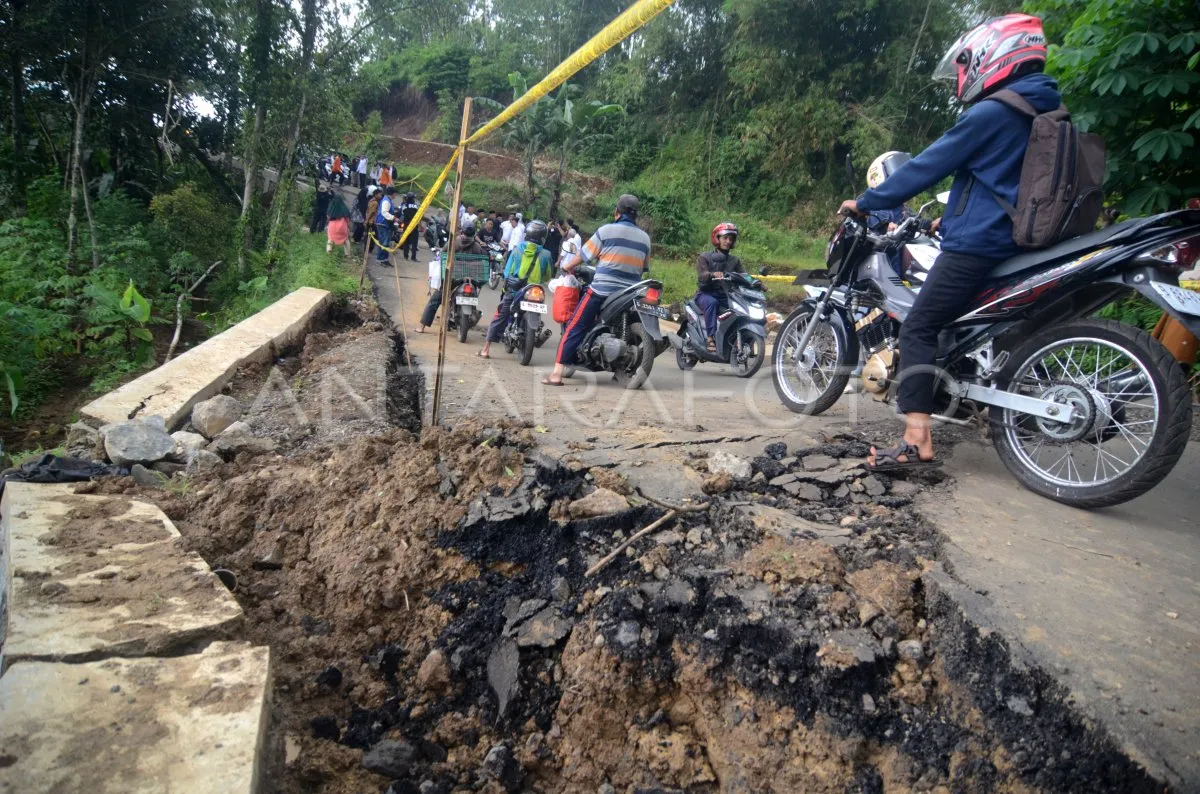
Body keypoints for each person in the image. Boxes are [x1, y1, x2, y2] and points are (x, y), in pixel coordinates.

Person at [839, 13, 1057, 470]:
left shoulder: (994, 112)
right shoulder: (1044, 111)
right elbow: (1005, 186)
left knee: (919, 326)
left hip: (978, 248)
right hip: (1017, 242)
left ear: (989, 57)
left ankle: (917, 440)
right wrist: (945, 223)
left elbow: (926, 167)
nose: (962, 76)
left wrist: (866, 201)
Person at [543, 195, 650, 385]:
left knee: (575, 326)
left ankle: (557, 374)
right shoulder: (645, 239)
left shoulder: (606, 231)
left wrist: (567, 267)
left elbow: (584, 255)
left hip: (603, 289)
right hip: (631, 292)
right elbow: (643, 269)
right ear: (635, 215)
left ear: (617, 212)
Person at [479, 220, 553, 358]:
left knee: (501, 316)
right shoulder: (547, 254)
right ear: (543, 237)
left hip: (515, 291)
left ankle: (486, 348)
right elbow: (548, 275)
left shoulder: (517, 249)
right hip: (534, 292)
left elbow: (507, 272)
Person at [416, 223, 486, 333]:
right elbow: (480, 262)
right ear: (474, 235)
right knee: (474, 297)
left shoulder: (454, 242)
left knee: (436, 300)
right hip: (470, 279)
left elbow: (443, 254)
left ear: (462, 232)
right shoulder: (477, 246)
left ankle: (422, 326)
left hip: (454, 278)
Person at [695, 222, 747, 352]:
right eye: (725, 238)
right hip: (706, 294)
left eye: (731, 239)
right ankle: (710, 338)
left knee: (741, 308)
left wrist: (757, 283)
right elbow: (702, 274)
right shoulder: (705, 257)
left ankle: (736, 339)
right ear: (717, 238)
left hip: (726, 295)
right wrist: (711, 274)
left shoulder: (734, 261)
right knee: (711, 302)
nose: (728, 241)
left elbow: (744, 275)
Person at [375, 186, 398, 266]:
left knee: (386, 243)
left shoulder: (388, 200)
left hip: (386, 224)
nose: (395, 195)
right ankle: (380, 259)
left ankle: (385, 259)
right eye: (395, 194)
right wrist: (393, 218)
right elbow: (384, 212)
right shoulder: (386, 201)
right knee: (383, 242)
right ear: (392, 194)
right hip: (383, 223)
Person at [399, 191, 421, 261]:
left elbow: (401, 215)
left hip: (406, 225)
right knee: (414, 242)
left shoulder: (404, 205)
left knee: (406, 241)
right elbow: (419, 216)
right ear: (413, 198)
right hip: (414, 226)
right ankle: (413, 257)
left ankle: (406, 256)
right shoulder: (416, 206)